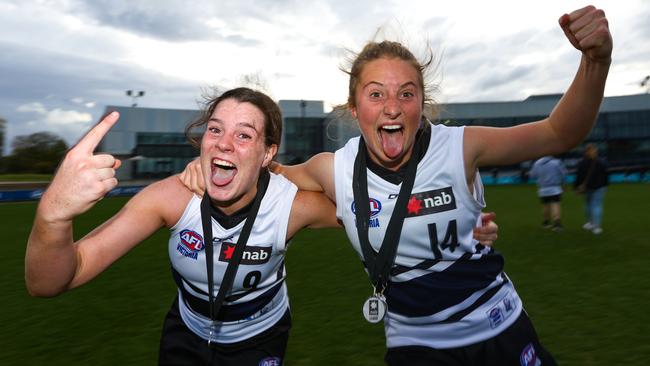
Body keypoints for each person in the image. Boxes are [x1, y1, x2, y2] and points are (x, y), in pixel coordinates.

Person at [181, 5, 611, 365]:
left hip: (497, 325)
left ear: (422, 103)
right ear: (354, 107)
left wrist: (596, 60)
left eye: (407, 94)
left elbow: (558, 133)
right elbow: (263, 174)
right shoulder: (334, 169)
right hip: (413, 343)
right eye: (375, 94)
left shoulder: (461, 147)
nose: (392, 106)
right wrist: (205, 167)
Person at [25, 87, 342, 366]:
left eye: (244, 135)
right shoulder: (170, 198)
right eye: (215, 130)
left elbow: (372, 214)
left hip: (261, 336)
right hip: (187, 333)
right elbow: (47, 283)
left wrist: (313, 167)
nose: (224, 144)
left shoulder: (289, 206)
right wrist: (53, 216)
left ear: (267, 152)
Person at [573, 143, 608, 234]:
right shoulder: (601, 162)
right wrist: (605, 185)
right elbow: (606, 175)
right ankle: (597, 227)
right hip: (599, 187)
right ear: (596, 151)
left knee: (588, 205)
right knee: (597, 206)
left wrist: (576, 188)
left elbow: (578, 177)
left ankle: (590, 223)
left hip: (587, 188)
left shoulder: (581, 163)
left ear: (585, 152)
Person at [529, 156, 567, 231]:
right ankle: (557, 224)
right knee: (555, 205)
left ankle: (546, 223)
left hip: (543, 189)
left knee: (545, 206)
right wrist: (563, 184)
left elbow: (532, 176)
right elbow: (563, 174)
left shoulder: (537, 163)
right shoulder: (556, 162)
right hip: (554, 188)